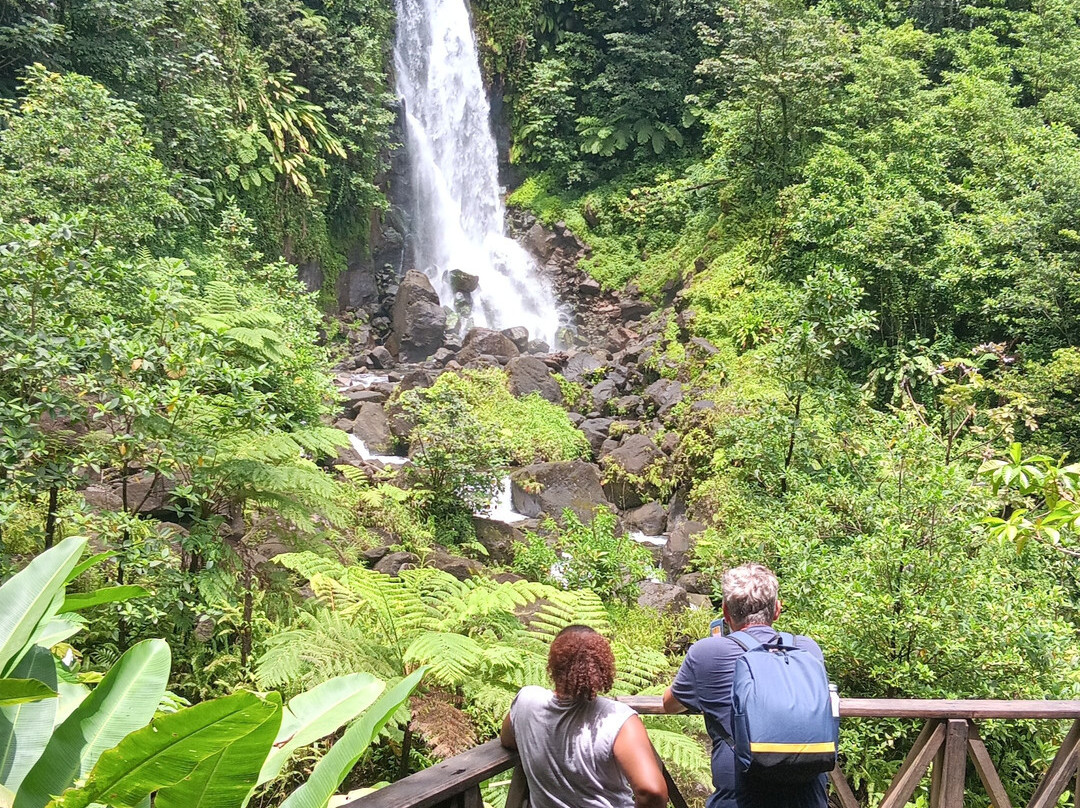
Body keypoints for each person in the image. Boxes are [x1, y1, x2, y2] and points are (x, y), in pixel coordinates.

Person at [661, 563, 828, 808]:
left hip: (739, 800)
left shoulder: (707, 652)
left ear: (726, 613)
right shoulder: (807, 649)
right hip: (808, 800)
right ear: (777, 610)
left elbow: (670, 705)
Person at [500, 625, 668, 808]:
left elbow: (508, 740)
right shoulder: (617, 719)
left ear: (553, 663)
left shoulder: (526, 701)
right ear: (602, 666)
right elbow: (653, 791)